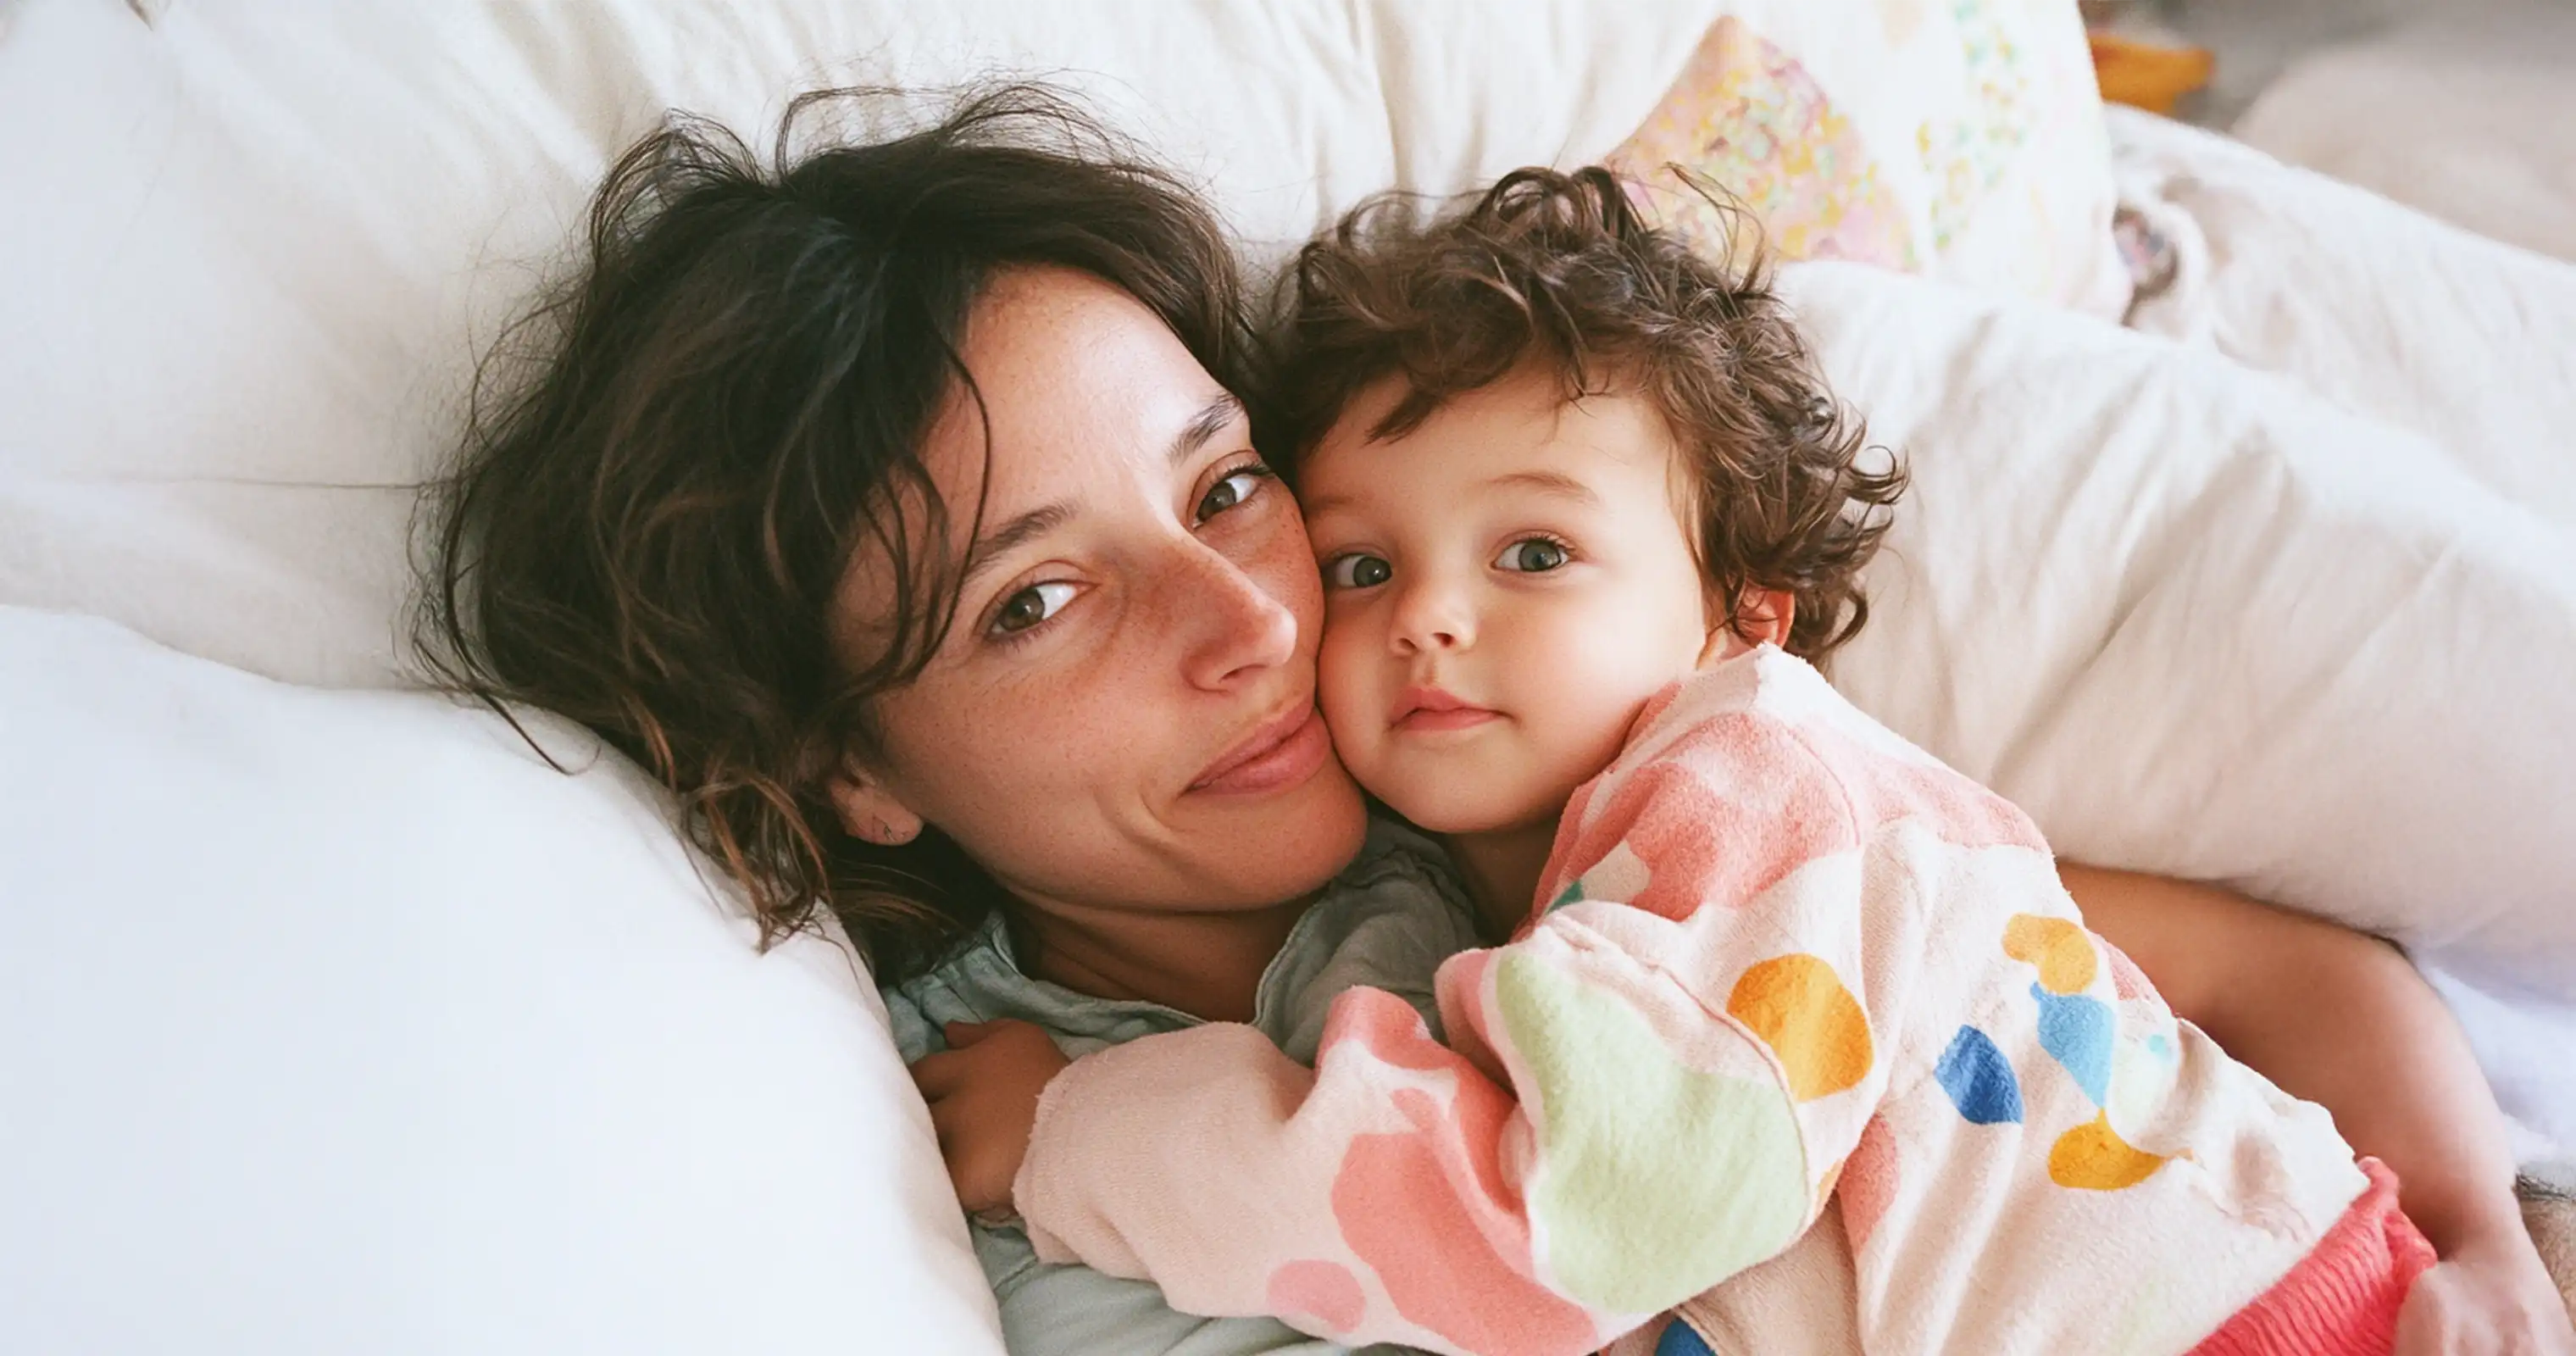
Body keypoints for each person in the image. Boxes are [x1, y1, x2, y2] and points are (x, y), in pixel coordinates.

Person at [417, 86, 2571, 1355]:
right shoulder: (995, 1152)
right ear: (846, 767)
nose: (1250, 623)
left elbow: (2277, 963)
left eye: (1227, 487)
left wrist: (2476, 1250)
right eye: (1037, 595)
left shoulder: (1613, 815)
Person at [917, 164, 2440, 1356]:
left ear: (1736, 620)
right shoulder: (1549, 882)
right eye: (1364, 567)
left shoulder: (1759, 793)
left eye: (1533, 550)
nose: (1430, 618)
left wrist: (1081, 1130)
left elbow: (1563, 1221)